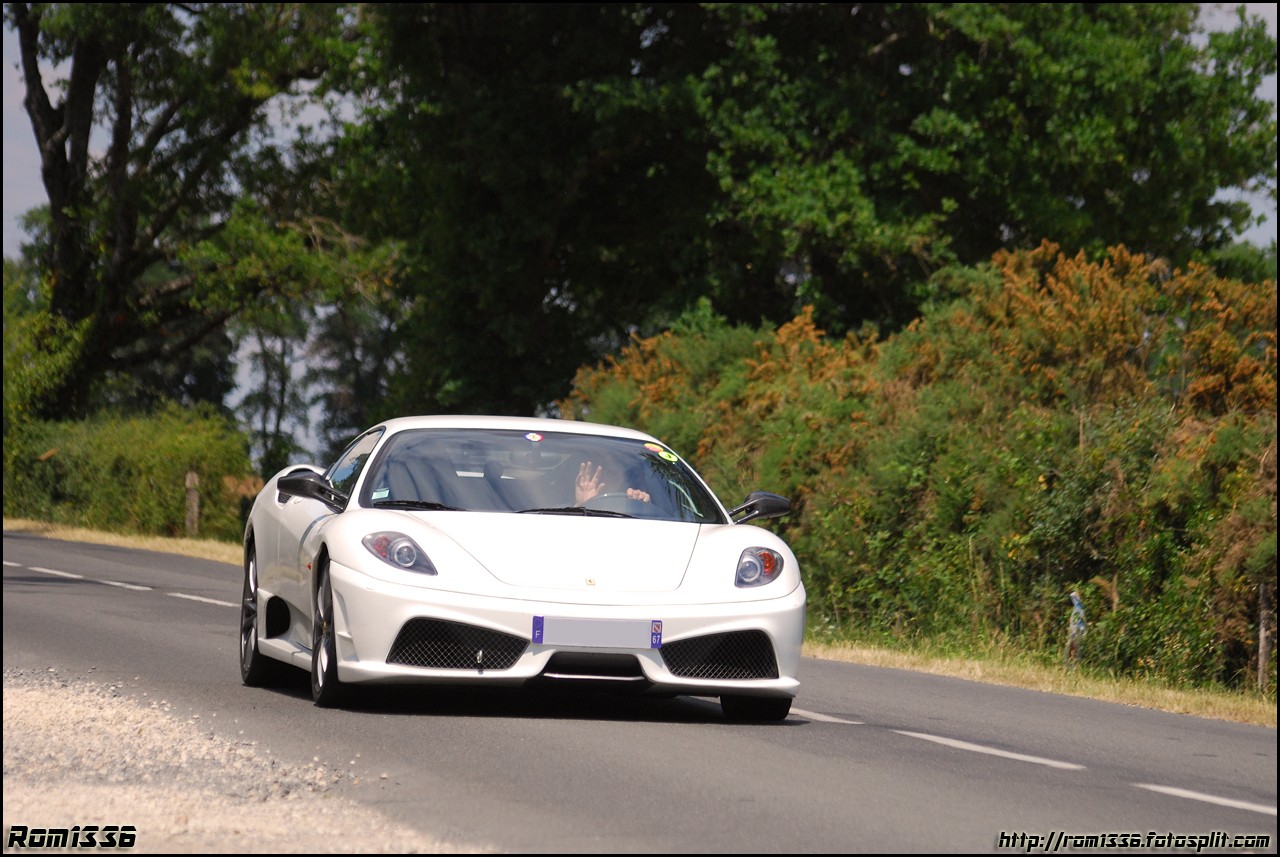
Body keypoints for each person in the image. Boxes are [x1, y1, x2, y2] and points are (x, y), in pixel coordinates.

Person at [575, 461, 650, 504]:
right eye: (611, 473)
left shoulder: (632, 503)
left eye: (627, 475)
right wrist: (583, 505)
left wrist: (643, 506)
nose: (620, 478)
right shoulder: (565, 511)